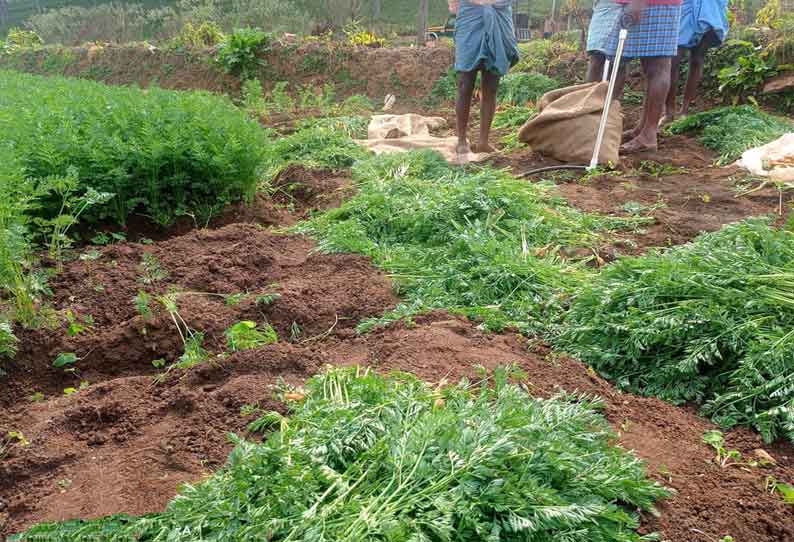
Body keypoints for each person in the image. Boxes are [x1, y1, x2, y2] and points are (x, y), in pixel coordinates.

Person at [604, 0, 684, 153]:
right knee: (650, 68)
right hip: (641, 4)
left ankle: (649, 135)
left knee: (658, 65)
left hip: (655, 5)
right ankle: (643, 128)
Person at [450, 0, 519, 156]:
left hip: (499, 10)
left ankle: (483, 142)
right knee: (464, 83)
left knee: (492, 84)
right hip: (470, 12)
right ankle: (461, 140)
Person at [661, 0, 729, 124]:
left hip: (711, 9)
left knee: (697, 60)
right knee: (673, 60)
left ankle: (684, 111)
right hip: (686, 8)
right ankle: (669, 112)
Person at [585, 0, 626, 82]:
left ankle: (614, 95)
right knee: (596, 56)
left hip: (626, 6)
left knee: (619, 60)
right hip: (603, 6)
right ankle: (590, 93)